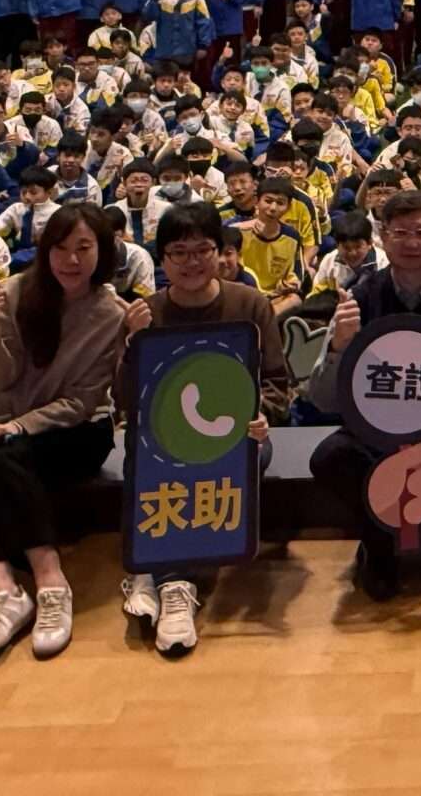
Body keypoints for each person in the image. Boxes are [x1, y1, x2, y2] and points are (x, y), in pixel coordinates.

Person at [0, 203, 128, 667]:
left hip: (74, 431)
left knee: (4, 456)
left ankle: (51, 583)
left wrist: (17, 427)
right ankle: (5, 593)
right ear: (45, 251)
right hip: (1, 418)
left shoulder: (111, 314)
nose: (71, 260)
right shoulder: (10, 294)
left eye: (83, 248)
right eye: (60, 248)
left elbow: (81, 402)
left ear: (102, 251)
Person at [304, 187, 421, 612]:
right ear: (382, 237)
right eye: (400, 232)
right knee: (329, 458)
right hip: (373, 429)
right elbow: (322, 397)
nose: (411, 242)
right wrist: (338, 346)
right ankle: (377, 542)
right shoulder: (359, 296)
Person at [114, 202, 281, 656]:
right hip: (162, 439)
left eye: (203, 250)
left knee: (247, 457)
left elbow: (278, 382)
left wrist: (262, 414)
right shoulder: (146, 312)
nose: (192, 262)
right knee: (146, 459)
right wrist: (131, 343)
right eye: (179, 253)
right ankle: (173, 582)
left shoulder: (250, 304)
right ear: (162, 259)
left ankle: (159, 576)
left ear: (221, 252)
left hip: (235, 435)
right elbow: (123, 397)